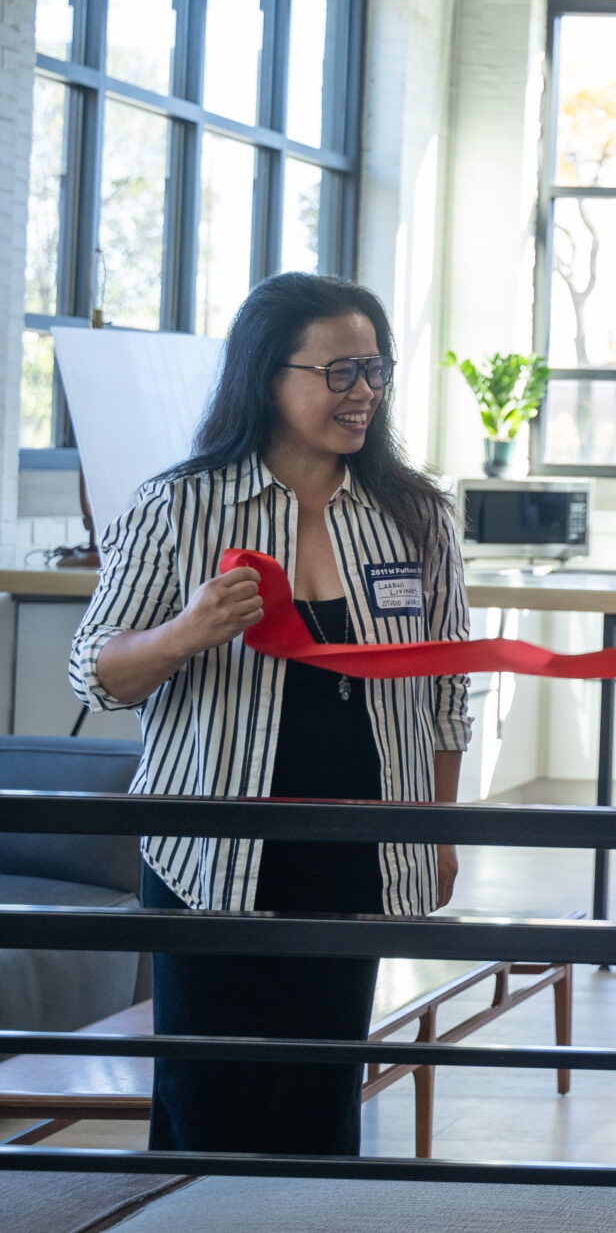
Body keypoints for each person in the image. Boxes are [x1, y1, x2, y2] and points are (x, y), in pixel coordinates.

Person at [69, 273, 470, 1156]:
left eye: (375, 368)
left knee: (321, 1096)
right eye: (337, 372)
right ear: (265, 375)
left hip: (354, 853)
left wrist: (437, 830)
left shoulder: (416, 515)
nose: (363, 391)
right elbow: (95, 673)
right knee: (208, 1097)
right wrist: (187, 630)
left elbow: (446, 689)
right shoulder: (177, 507)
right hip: (214, 859)